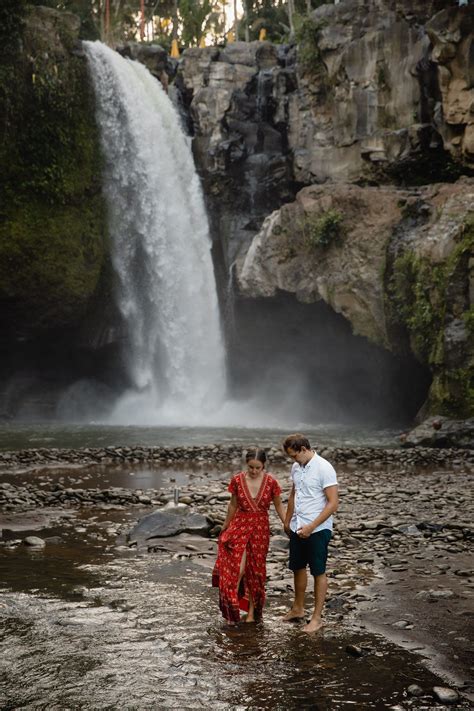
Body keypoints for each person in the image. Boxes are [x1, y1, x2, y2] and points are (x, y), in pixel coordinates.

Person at [212, 447, 286, 624]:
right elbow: (232, 505)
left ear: (263, 466)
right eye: (251, 467)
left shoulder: (271, 482)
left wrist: (286, 523)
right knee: (236, 569)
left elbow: (278, 506)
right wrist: (225, 525)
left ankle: (252, 613)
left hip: (260, 529)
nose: (253, 471)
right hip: (240, 526)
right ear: (246, 464)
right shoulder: (237, 480)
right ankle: (232, 612)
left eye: (257, 468)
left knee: (256, 572)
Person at [282, 433, 338, 633]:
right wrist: (287, 520)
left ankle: (316, 617)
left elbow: (333, 503)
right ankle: (298, 609)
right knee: (297, 567)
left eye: (294, 455)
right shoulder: (297, 467)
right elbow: (293, 493)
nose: (293, 460)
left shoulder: (324, 468)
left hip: (318, 528)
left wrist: (312, 526)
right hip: (298, 525)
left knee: (318, 571)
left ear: (304, 449)